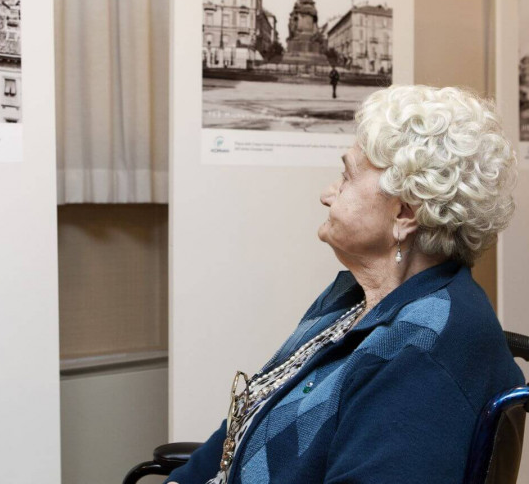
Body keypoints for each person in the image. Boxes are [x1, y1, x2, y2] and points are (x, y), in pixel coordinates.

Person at [166, 84, 524, 484]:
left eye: (346, 178)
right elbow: (250, 420)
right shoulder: (353, 300)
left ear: (404, 213)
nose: (326, 195)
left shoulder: (422, 355)